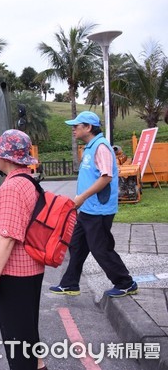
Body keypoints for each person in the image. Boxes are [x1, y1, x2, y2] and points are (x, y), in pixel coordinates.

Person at [0, 130, 47, 370]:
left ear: (5, 157)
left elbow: (6, 237)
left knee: (17, 341)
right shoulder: (28, 181)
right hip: (31, 269)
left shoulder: (12, 188)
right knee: (28, 333)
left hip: (16, 274)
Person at [50, 111, 137, 298]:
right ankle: (70, 283)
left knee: (101, 248)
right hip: (88, 209)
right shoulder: (90, 147)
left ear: (88, 127)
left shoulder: (101, 147)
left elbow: (106, 177)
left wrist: (82, 197)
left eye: (76, 126)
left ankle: (125, 283)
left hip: (99, 209)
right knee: (77, 245)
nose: (73, 129)